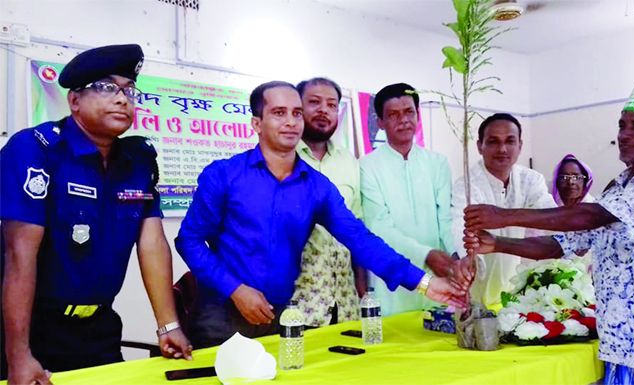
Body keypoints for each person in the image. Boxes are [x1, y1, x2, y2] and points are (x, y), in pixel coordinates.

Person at [175, 81, 475, 348]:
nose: (291, 122)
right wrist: (236, 290)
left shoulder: (317, 187)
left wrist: (424, 283)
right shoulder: (224, 175)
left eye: (296, 113)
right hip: (221, 316)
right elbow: (188, 240)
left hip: (280, 315)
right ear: (257, 123)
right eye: (279, 113)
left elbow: (360, 240)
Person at [463, 78, 634, 384]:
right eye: (622, 125)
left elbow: (591, 215)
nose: (625, 135)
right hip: (620, 347)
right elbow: (560, 245)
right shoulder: (622, 187)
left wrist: (502, 215)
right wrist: (496, 243)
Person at [0, 44, 192, 385]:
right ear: (74, 101)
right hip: (31, 329)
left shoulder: (139, 159)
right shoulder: (36, 150)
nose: (122, 98)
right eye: (106, 87)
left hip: (98, 328)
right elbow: (19, 256)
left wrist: (169, 326)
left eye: (129, 90)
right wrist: (18, 355)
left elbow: (151, 244)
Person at [359, 83, 457, 316]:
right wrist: (426, 254)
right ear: (380, 122)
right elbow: (379, 226)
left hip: (440, 273)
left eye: (408, 112)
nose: (403, 120)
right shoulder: (366, 166)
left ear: (418, 115)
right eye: (393, 115)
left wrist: (455, 256)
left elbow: (447, 218)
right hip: (391, 278)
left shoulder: (438, 163)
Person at [451, 113, 556, 307]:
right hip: (474, 290)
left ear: (520, 146)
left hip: (514, 290)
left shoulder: (531, 180)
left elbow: (550, 217)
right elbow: (461, 226)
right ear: (480, 146)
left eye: (510, 141)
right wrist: (468, 258)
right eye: (493, 142)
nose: (502, 149)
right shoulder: (466, 186)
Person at [290, 77, 364, 327]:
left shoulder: (349, 162)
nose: (324, 110)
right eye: (314, 102)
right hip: (295, 305)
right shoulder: (280, 160)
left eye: (332, 105)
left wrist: (363, 291)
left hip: (345, 304)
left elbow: (357, 230)